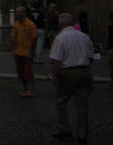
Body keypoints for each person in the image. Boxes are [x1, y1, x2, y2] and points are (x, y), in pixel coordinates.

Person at [50, 12, 94, 143]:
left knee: (61, 100)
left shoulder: (61, 38)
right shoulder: (84, 36)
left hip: (68, 72)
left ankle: (64, 129)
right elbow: (91, 56)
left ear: (60, 24)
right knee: (83, 104)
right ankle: (82, 134)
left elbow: (57, 60)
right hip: (85, 71)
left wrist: (54, 75)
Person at [10, 5, 37, 97]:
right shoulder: (16, 24)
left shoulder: (30, 24)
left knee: (28, 72)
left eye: (18, 12)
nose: (16, 14)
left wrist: (31, 51)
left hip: (27, 51)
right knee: (20, 72)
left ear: (24, 13)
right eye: (16, 12)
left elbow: (34, 39)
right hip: (18, 51)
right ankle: (25, 89)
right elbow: (13, 37)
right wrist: (13, 50)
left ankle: (30, 90)